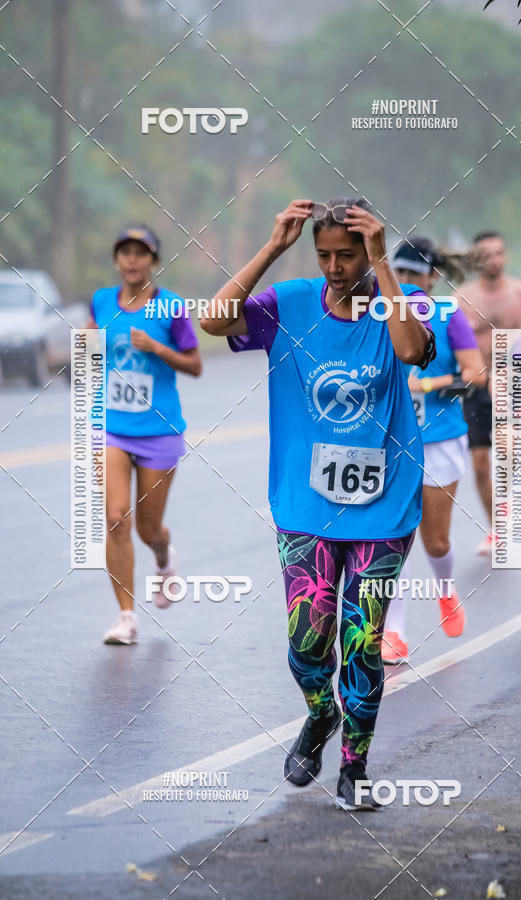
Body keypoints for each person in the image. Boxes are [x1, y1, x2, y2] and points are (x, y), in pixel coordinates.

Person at [200, 197, 435, 809]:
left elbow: (412, 351)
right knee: (309, 646)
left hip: (383, 509)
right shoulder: (290, 304)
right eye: (323, 254)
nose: (334, 266)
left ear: (367, 251)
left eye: (347, 254)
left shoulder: (395, 306)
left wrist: (383, 262)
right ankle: (320, 713)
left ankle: (354, 769)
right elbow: (213, 321)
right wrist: (274, 246)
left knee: (360, 642)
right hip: (306, 508)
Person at [87, 225, 202, 645]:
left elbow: (194, 364)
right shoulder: (102, 301)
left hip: (158, 430)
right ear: (117, 259)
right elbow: (89, 344)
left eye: (141, 253)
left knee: (148, 530)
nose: (132, 260)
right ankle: (125, 616)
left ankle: (163, 556)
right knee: (117, 516)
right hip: (111, 426)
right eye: (125, 252)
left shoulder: (171, 307)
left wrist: (158, 349)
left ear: (153, 260)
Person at [381, 238, 486, 664]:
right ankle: (394, 630)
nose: (406, 282)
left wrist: (426, 384)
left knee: (435, 540)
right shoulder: (380, 311)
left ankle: (445, 590)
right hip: (390, 443)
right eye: (399, 274)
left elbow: (475, 375)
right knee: (393, 540)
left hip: (440, 439)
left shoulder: (447, 314)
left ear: (431, 277)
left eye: (414, 275)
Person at [456, 231, 521, 555]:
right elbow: (453, 343)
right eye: (485, 255)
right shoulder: (462, 298)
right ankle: (495, 527)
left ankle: (508, 523)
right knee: (479, 462)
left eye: (498, 253)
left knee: (506, 455)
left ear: (505, 256)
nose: (493, 261)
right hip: (475, 385)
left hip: (512, 382)